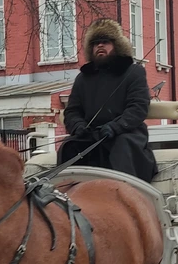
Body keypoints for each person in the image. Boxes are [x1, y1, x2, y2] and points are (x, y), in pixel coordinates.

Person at [58, 17, 157, 183]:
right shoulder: (83, 78)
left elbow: (137, 108)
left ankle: (128, 195)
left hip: (126, 134)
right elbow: (72, 110)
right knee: (69, 147)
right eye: (96, 43)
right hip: (91, 134)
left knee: (122, 147)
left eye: (105, 41)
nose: (100, 46)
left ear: (117, 45)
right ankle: (65, 197)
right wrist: (78, 126)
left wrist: (115, 127)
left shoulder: (133, 72)